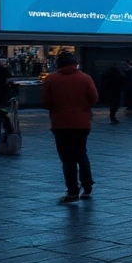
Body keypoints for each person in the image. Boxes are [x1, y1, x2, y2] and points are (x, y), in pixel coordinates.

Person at [41, 51, 98, 203]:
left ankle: (72, 191)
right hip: (82, 122)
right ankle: (87, 186)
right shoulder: (85, 78)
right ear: (75, 63)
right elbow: (94, 98)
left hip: (60, 124)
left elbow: (46, 102)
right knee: (81, 154)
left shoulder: (51, 79)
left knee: (67, 159)